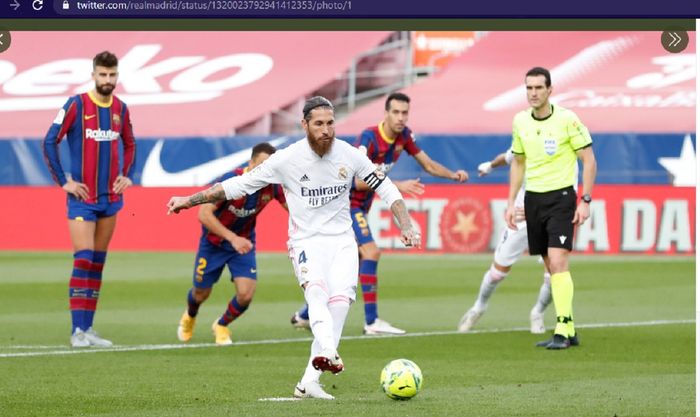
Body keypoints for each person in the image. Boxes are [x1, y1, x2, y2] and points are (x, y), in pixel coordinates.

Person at [166, 96, 421, 400]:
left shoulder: (349, 155)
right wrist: (188, 200)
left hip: (342, 241)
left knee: (340, 304)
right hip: (306, 241)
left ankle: (308, 383)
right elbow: (236, 186)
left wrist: (405, 223)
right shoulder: (286, 159)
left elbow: (385, 187)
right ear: (304, 125)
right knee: (316, 291)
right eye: (319, 124)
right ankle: (328, 351)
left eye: (330, 123)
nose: (326, 130)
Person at [291, 92, 468, 335]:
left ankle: (304, 315)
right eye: (395, 112)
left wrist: (453, 175)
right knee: (371, 252)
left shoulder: (404, 136)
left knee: (355, 263)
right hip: (345, 206)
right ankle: (372, 322)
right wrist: (395, 185)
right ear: (385, 113)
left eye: (405, 113)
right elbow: (355, 179)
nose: (401, 118)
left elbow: (426, 164)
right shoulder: (369, 137)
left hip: (362, 207)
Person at [42, 51, 136, 348]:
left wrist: (126, 174)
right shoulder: (76, 105)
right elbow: (49, 141)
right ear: (93, 75)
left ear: (117, 76)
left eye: (112, 75)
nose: (108, 80)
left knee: (96, 263)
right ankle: (76, 331)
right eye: (102, 75)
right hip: (82, 199)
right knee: (83, 259)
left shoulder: (121, 108)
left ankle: (89, 328)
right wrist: (64, 182)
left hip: (110, 199)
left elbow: (131, 143)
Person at [505, 67, 597, 350]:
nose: (533, 93)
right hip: (533, 199)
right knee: (549, 265)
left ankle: (562, 328)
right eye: (529, 88)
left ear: (550, 90)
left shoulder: (567, 119)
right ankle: (568, 329)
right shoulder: (520, 121)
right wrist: (510, 202)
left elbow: (589, 160)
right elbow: (518, 162)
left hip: (562, 198)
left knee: (558, 261)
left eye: (538, 88)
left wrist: (585, 200)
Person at [176, 142, 287, 346]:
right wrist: (232, 238)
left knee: (245, 295)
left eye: (270, 167)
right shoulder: (231, 180)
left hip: (243, 244)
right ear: (251, 162)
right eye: (261, 165)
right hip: (214, 243)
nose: (265, 171)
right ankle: (190, 316)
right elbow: (204, 214)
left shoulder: (273, 186)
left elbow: (294, 210)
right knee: (200, 293)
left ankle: (221, 324)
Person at [457, 150, 553, 334]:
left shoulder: (560, 149)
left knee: (554, 272)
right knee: (497, 273)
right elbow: (508, 157)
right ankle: (479, 307)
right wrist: (491, 165)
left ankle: (538, 313)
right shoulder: (528, 139)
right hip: (520, 216)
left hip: (550, 217)